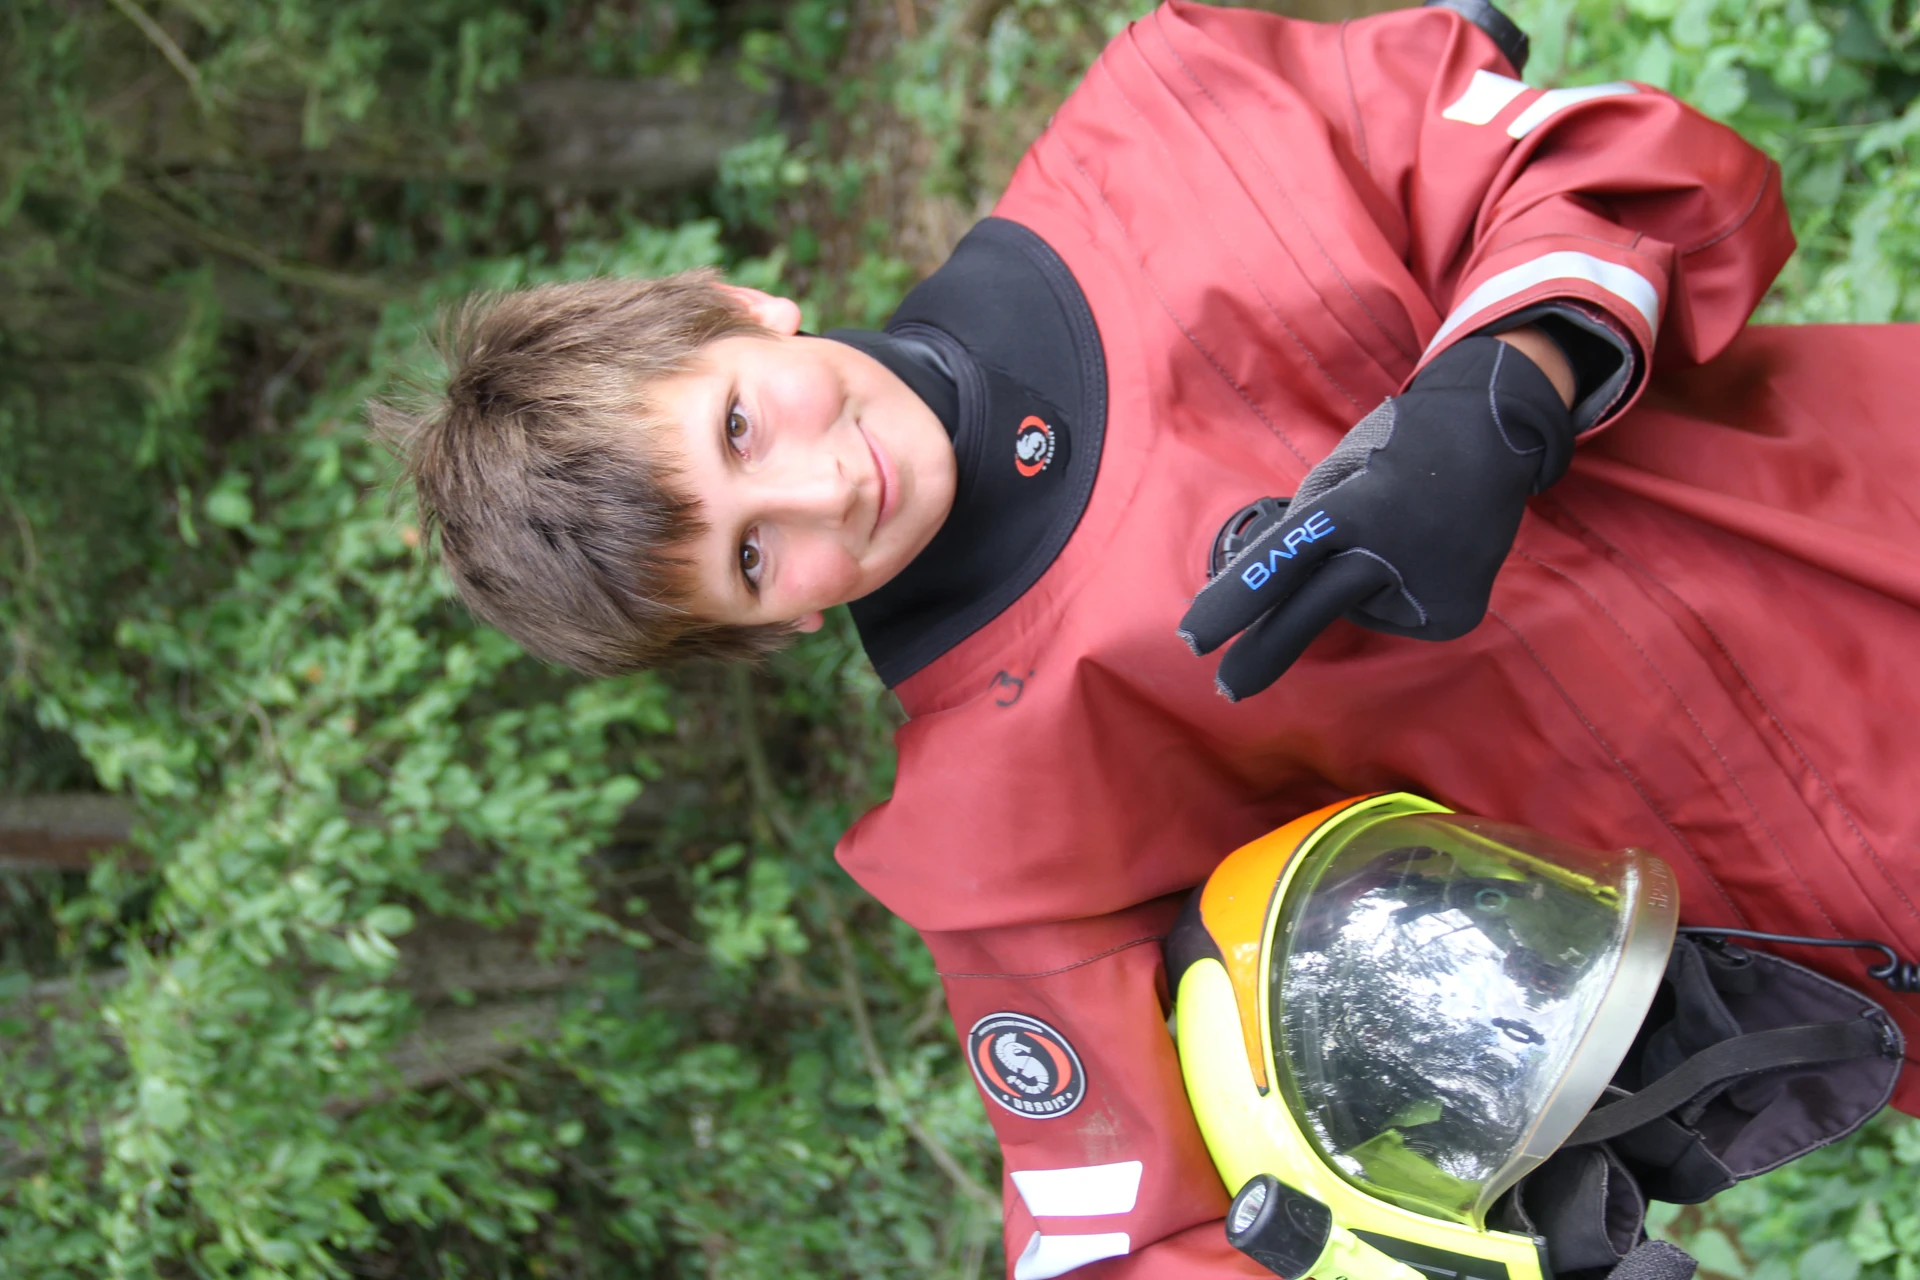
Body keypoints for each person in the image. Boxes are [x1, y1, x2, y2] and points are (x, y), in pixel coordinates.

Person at [386, 2, 1920, 1275]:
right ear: (768, 628)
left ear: (740, 306)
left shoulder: (1175, 131)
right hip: (1854, 928)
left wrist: (1501, 388)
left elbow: (1616, 163)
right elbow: (1130, 1235)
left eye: (739, 424)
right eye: (748, 554)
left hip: (1871, 494)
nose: (821, 488)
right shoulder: (1001, 829)